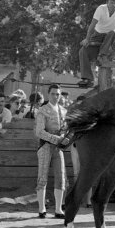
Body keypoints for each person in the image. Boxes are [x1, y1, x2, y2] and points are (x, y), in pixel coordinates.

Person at [78, 0, 115, 88]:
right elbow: (92, 25)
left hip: (110, 37)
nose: (113, 5)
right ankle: (87, 78)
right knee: (83, 51)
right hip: (97, 35)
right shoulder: (101, 9)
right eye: (111, 3)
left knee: (112, 32)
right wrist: (87, 39)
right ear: (107, 3)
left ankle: (101, 56)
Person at [34, 84, 69, 218]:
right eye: (53, 94)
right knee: (42, 177)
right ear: (48, 94)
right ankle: (41, 209)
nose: (55, 96)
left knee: (61, 177)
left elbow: (65, 129)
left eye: (57, 94)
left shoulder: (63, 111)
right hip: (45, 146)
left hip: (58, 147)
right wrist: (57, 139)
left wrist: (65, 138)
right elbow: (39, 132)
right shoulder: (42, 110)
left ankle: (58, 209)